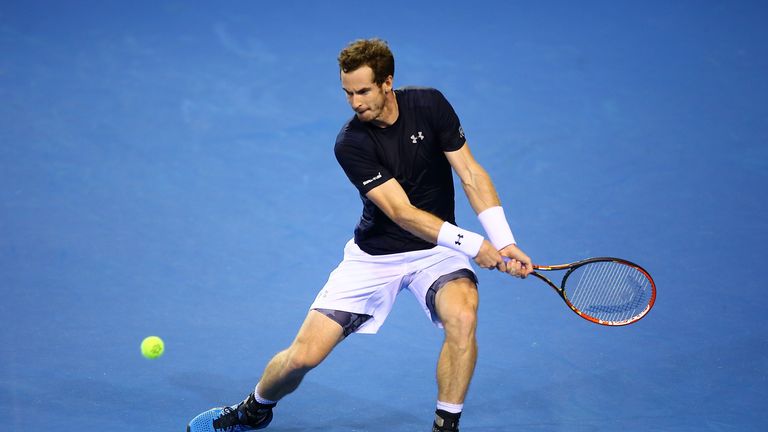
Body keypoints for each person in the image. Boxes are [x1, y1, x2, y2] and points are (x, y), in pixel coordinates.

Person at [187, 38, 533, 432]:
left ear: (388, 83)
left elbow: (469, 172)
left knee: (464, 315)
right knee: (303, 357)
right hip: (376, 256)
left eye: (363, 90)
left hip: (437, 251)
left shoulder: (431, 105)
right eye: (348, 93)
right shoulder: (351, 143)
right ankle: (255, 408)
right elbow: (402, 214)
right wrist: (475, 245)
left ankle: (445, 425)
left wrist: (502, 240)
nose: (354, 102)